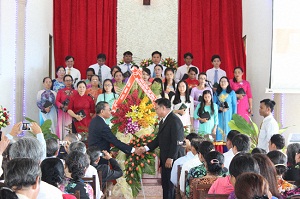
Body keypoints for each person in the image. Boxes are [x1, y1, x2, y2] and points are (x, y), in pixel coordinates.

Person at [136, 98, 185, 199]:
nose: (155, 111)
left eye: (156, 108)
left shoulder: (174, 120)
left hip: (172, 159)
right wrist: (145, 148)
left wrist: (171, 157)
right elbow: (158, 139)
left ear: (163, 108)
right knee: (165, 184)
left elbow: (177, 142)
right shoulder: (163, 120)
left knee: (170, 185)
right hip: (165, 157)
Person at [214, 76, 237, 141]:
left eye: (224, 81)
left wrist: (234, 117)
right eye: (221, 81)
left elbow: (234, 105)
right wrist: (219, 108)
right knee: (219, 130)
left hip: (228, 115)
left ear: (228, 83)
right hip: (219, 115)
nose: (223, 83)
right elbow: (214, 104)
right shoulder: (216, 93)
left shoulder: (232, 92)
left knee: (228, 130)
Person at [55, 75, 77, 139]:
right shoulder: (60, 91)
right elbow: (56, 101)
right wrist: (62, 106)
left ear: (72, 81)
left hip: (71, 113)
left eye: (70, 80)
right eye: (66, 80)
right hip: (62, 112)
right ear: (64, 82)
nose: (68, 82)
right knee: (62, 128)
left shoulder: (75, 92)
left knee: (70, 128)